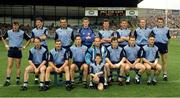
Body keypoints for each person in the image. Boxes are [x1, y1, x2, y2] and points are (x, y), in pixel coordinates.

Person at [2, 21, 31, 86]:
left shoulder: (22, 33)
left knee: (18, 66)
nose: (15, 27)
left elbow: (29, 39)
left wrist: (24, 47)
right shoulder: (9, 32)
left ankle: (17, 79)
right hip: (11, 50)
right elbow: (2, 38)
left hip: (18, 50)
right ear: (12, 26)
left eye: (16, 25)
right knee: (9, 65)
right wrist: (6, 45)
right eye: (14, 25)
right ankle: (8, 80)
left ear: (18, 26)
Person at [31, 17, 48, 83]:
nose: (37, 23)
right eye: (36, 22)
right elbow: (32, 40)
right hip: (36, 48)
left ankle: (45, 77)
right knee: (36, 61)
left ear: (42, 23)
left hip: (44, 47)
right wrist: (40, 38)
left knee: (44, 62)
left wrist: (36, 39)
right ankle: (36, 76)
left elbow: (45, 37)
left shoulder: (45, 29)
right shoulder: (33, 30)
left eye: (39, 22)